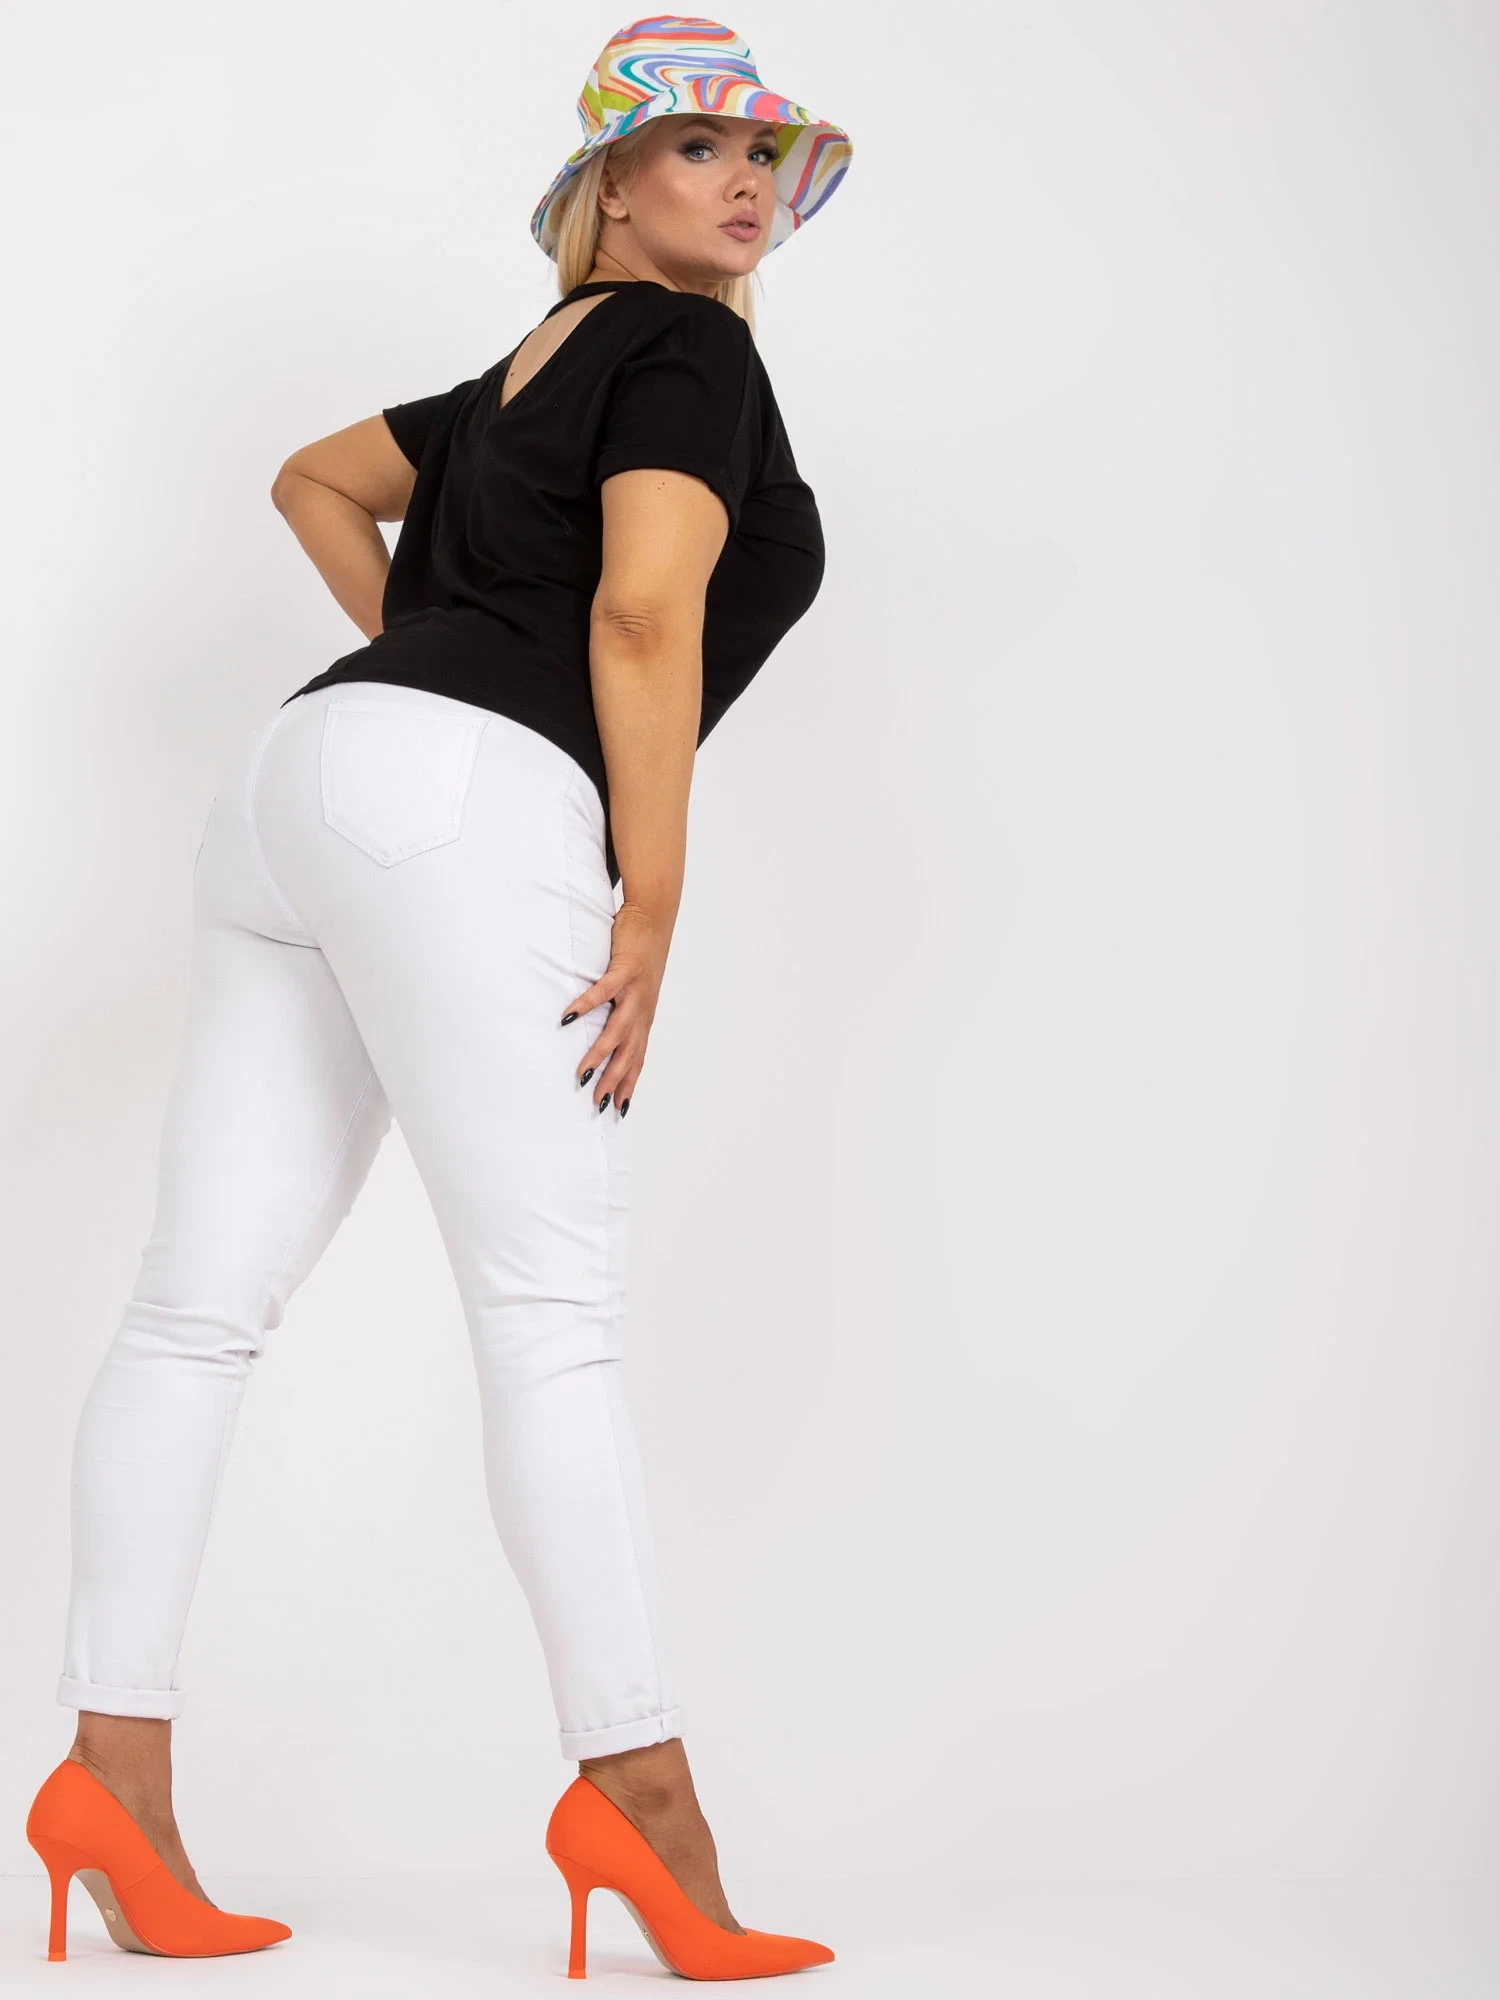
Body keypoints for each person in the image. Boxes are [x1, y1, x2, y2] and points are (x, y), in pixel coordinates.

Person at [25, 15, 851, 1981]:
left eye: (765, 155)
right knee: (551, 1317)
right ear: (610, 188)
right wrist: (654, 890)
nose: (744, 180)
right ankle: (643, 1803)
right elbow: (642, 612)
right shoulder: (686, 353)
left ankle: (111, 1784)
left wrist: (426, 660)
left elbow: (313, 481)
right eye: (698, 148)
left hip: (293, 785)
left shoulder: (512, 383)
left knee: (192, 1309)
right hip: (461, 809)